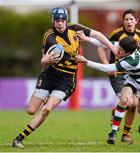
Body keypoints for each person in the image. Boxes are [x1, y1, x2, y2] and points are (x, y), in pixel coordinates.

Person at [12, 7, 118, 148]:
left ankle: (19, 139)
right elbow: (43, 61)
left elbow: (97, 34)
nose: (60, 23)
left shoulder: (75, 28)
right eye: (57, 20)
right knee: (31, 110)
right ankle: (45, 97)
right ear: (53, 21)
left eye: (62, 20)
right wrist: (47, 59)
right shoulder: (48, 36)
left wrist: (112, 47)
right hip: (50, 74)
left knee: (47, 109)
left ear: (66, 21)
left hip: (66, 80)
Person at [75, 36, 140, 145]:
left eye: (121, 51)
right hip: (132, 78)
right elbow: (105, 43)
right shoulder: (124, 46)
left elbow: (106, 68)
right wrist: (87, 39)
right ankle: (113, 133)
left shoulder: (131, 61)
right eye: (119, 48)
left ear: (128, 53)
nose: (117, 51)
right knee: (124, 100)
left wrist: (86, 61)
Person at [96, 9, 140, 144]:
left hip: (134, 75)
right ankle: (117, 127)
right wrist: (106, 66)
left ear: (136, 21)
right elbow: (100, 48)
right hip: (118, 73)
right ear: (123, 21)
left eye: (131, 19)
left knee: (133, 106)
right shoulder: (116, 34)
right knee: (129, 102)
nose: (128, 21)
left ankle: (126, 134)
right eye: (126, 19)